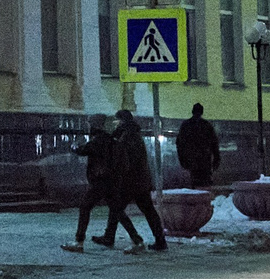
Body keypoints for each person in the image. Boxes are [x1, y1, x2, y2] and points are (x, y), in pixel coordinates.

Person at [69, 117, 139, 252]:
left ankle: (79, 241)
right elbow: (124, 164)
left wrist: (73, 146)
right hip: (113, 182)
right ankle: (137, 240)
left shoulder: (98, 141)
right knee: (118, 211)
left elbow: (81, 150)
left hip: (100, 182)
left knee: (85, 207)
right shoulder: (114, 142)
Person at [104, 109, 168, 252]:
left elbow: (126, 160)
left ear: (122, 121)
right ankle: (160, 241)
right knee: (147, 211)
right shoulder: (132, 134)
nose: (115, 123)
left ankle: (133, 239)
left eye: (117, 120)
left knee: (117, 207)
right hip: (140, 181)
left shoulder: (128, 136)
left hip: (131, 181)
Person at [176, 103, 220, 188]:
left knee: (194, 183)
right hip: (204, 160)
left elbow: (180, 144)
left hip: (192, 160)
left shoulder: (186, 125)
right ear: (202, 112)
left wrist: (182, 159)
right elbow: (214, 144)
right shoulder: (207, 125)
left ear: (192, 111)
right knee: (205, 184)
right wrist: (216, 160)